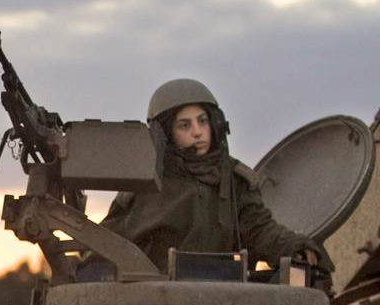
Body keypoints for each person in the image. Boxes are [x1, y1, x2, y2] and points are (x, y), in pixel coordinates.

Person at [97, 78, 332, 274]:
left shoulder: (234, 180)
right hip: (155, 301)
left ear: (215, 124)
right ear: (166, 133)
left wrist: (294, 247)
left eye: (202, 121)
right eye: (184, 125)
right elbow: (109, 242)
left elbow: (259, 229)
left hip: (221, 297)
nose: (197, 132)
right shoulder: (146, 185)